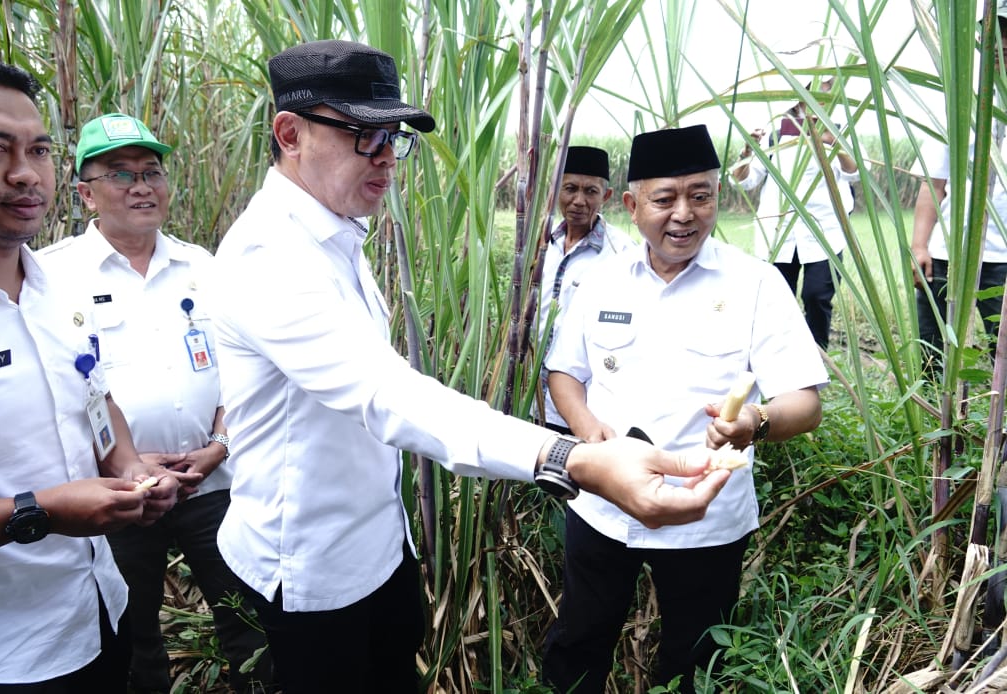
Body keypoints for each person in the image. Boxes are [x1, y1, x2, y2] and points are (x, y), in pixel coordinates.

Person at [207, 40, 732, 694]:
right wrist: (573, 459)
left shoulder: (335, 231)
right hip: (313, 571)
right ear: (290, 133)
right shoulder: (271, 257)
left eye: (392, 139)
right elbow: (389, 394)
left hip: (378, 546)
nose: (385, 160)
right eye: (363, 137)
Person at [542, 125, 827, 693]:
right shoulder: (601, 282)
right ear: (630, 204)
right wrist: (585, 428)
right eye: (665, 198)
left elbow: (805, 401)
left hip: (706, 517)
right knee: (579, 641)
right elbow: (563, 374)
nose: (684, 215)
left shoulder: (756, 284)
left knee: (695, 661)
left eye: (700, 196)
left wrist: (754, 423)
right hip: (602, 507)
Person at [0, 54, 182, 691]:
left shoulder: (57, 289)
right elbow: (48, 509)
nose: (24, 173)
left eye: (38, 149)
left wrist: (129, 467)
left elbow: (93, 396)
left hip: (95, 611)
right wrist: (43, 511)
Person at [38, 114, 273, 693]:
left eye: (152, 172)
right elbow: (59, 387)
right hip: (114, 494)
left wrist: (219, 447)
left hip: (213, 486)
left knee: (250, 626)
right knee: (130, 635)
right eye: (120, 174)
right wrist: (130, 464)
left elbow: (245, 370)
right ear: (84, 193)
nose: (142, 186)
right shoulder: (50, 274)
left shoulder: (203, 266)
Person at [732, 78, 863, 350]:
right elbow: (744, 181)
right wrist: (747, 151)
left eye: (829, 87)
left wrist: (833, 142)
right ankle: (779, 354)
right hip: (778, 233)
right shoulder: (775, 132)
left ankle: (817, 356)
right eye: (818, 87)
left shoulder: (840, 128)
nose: (824, 93)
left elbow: (856, 174)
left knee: (817, 296)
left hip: (824, 232)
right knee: (778, 299)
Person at [910, 7, 1007, 367]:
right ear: (981, 41)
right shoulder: (959, 105)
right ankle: (940, 413)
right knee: (935, 351)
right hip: (949, 252)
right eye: (996, 34)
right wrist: (920, 245)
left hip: (1002, 258)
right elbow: (933, 183)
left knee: (1003, 351)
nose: (1003, 44)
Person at [537, 145, 636, 433]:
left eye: (591, 191)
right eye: (570, 188)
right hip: (529, 399)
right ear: (555, 191)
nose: (579, 200)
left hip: (586, 411)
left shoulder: (621, 254)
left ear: (606, 196)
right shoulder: (537, 243)